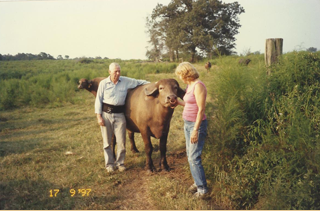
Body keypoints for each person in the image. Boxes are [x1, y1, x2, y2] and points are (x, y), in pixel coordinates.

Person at [95, 62, 149, 173]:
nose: (118, 73)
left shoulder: (125, 81)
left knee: (121, 141)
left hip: (120, 115)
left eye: (119, 71)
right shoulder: (103, 84)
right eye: (115, 71)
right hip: (106, 115)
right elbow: (98, 101)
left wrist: (155, 84)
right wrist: (99, 116)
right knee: (107, 142)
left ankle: (120, 163)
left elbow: (140, 82)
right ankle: (109, 164)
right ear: (109, 72)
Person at [175, 62, 208, 198]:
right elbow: (190, 103)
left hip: (196, 125)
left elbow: (201, 109)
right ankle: (197, 181)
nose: (180, 78)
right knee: (190, 156)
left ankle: (202, 190)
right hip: (187, 123)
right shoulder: (190, 86)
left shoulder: (198, 86)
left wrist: (195, 130)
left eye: (181, 75)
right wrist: (178, 103)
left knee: (194, 157)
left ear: (186, 74)